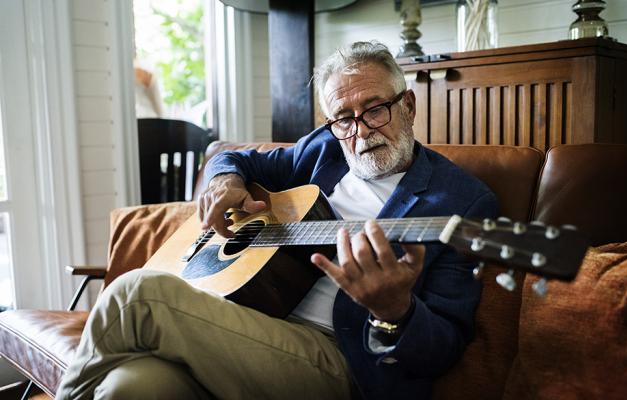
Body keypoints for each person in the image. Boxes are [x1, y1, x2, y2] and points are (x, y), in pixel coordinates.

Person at [57, 41, 498, 400]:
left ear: (409, 106)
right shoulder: (323, 149)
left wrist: (395, 312)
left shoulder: (462, 202)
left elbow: (446, 344)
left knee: (137, 293)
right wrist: (224, 181)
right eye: (344, 118)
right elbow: (233, 157)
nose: (361, 131)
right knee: (130, 387)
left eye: (375, 109)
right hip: (244, 320)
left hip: (339, 358)